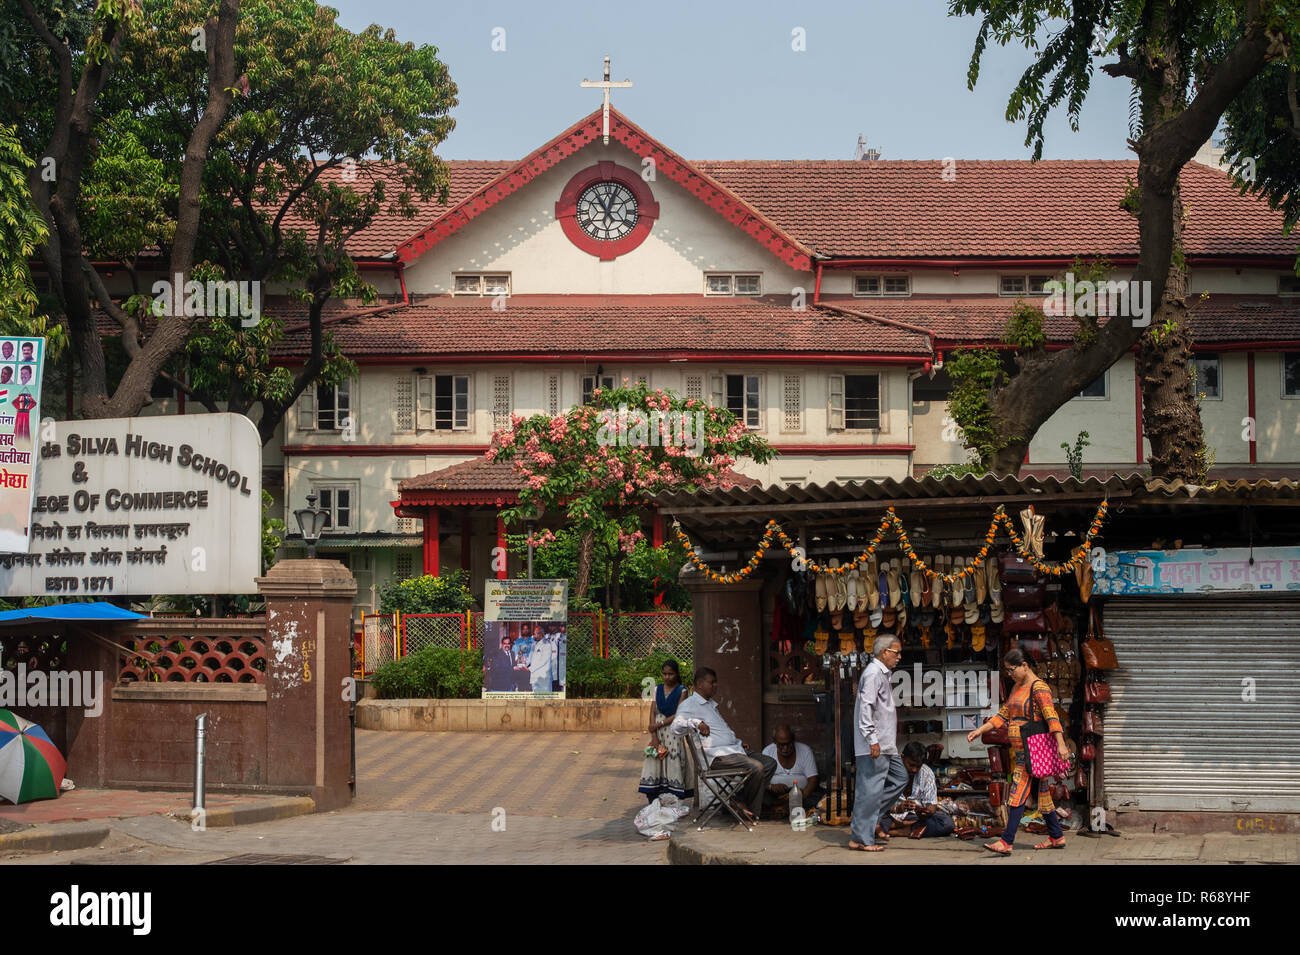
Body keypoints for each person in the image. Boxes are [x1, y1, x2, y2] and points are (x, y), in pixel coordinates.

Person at [968, 648, 1071, 854]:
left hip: (1032, 752)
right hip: (1024, 751)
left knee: (1017, 794)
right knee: (1043, 796)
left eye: (1012, 669)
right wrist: (980, 730)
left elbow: (1052, 717)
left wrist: (1061, 744)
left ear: (1025, 665)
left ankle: (1006, 841)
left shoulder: (1039, 688)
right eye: (1007, 671)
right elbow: (1003, 714)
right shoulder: (1017, 687)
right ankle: (1057, 837)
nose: (1009, 674)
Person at [671, 667, 777, 823]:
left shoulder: (709, 705)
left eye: (716, 682)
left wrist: (737, 743)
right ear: (700, 684)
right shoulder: (690, 704)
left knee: (769, 763)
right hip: (717, 758)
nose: (716, 685)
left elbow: (720, 732)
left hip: (734, 751)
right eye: (712, 682)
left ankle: (737, 800)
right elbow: (675, 726)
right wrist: (696, 723)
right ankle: (749, 812)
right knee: (756, 767)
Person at [849, 634, 909, 851]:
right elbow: (866, 708)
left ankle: (867, 820)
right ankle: (862, 839)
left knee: (900, 779)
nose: (899, 657)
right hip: (874, 745)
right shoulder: (873, 674)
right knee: (870, 791)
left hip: (886, 745)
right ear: (885, 652)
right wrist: (872, 740)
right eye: (896, 652)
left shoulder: (883, 674)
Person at [637, 659, 694, 802]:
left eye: (671, 674)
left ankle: (674, 798)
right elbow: (652, 712)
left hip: (673, 732)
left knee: (673, 760)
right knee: (655, 760)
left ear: (677, 674)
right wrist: (654, 735)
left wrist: (659, 724)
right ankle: (654, 797)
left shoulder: (683, 691)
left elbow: (678, 714)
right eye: (664, 674)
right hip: (659, 733)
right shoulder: (657, 689)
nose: (667, 677)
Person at [886, 741, 953, 838]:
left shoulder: (926, 773)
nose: (914, 770)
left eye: (918, 766)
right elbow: (877, 804)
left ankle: (897, 830)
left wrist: (924, 812)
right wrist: (897, 808)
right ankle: (905, 828)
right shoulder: (890, 770)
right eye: (911, 765)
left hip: (915, 818)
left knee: (947, 823)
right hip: (891, 816)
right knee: (872, 818)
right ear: (902, 757)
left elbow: (931, 806)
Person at [761, 724, 820, 813]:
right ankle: (781, 808)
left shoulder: (805, 750)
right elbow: (761, 779)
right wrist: (771, 786)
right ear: (775, 742)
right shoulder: (767, 751)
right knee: (762, 797)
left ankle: (785, 808)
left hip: (802, 795)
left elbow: (813, 779)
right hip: (775, 796)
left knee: (818, 798)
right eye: (781, 745)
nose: (785, 748)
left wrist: (800, 798)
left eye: (788, 744)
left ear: (793, 740)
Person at [528, 628, 554, 693]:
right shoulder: (534, 644)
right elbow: (530, 658)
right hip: (534, 677)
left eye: (534, 634)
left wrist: (530, 668)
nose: (533, 636)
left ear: (540, 634)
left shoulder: (547, 644)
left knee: (545, 699)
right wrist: (524, 663)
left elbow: (543, 661)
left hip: (543, 678)